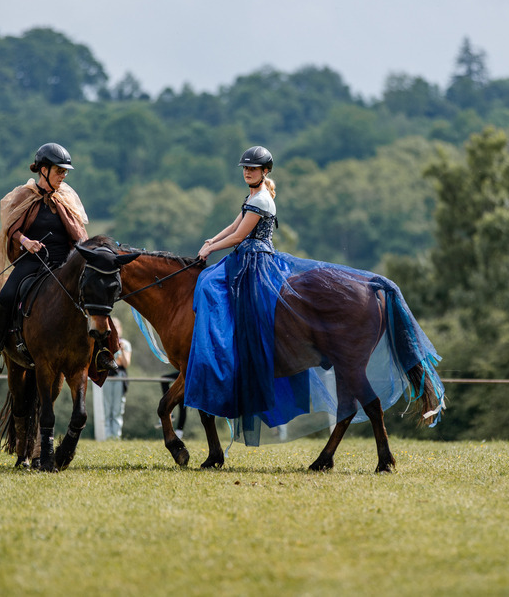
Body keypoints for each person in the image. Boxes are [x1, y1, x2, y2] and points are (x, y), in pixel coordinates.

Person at [186, 146, 441, 446]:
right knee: (209, 282)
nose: (247, 172)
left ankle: (231, 345)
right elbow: (233, 226)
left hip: (256, 261)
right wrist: (211, 240)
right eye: (245, 168)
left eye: (253, 169)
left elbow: (240, 236)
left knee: (209, 284)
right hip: (244, 257)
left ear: (265, 171)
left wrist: (211, 249)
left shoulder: (263, 199)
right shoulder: (252, 197)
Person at [0, 143, 119, 376]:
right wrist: (26, 241)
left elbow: (78, 233)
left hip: (66, 262)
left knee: (97, 292)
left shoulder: (66, 197)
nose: (63, 176)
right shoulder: (24, 195)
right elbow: (11, 228)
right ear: (43, 170)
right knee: (6, 295)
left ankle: (103, 351)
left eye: (65, 172)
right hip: (33, 260)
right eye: (59, 171)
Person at [103, 317, 132, 439]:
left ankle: (116, 436)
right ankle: (107, 435)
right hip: (107, 376)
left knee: (117, 408)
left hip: (119, 376)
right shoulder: (104, 343)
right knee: (106, 407)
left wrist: (122, 349)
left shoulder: (125, 344)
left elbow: (125, 363)